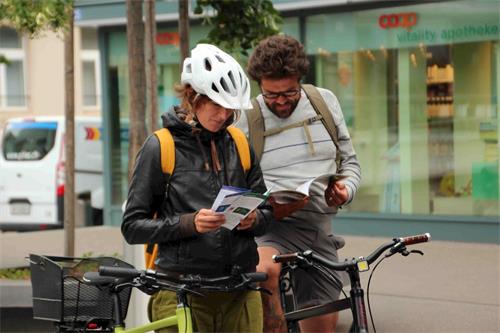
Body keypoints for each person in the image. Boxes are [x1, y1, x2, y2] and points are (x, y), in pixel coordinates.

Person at [122, 43, 273, 333]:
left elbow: (266, 211)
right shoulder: (161, 146)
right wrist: (190, 223)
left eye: (231, 109)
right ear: (193, 96)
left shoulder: (240, 144)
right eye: (217, 105)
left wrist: (256, 219)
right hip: (183, 293)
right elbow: (132, 227)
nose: (224, 115)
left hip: (240, 289)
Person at [236, 35, 362, 332]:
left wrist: (345, 190)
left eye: (289, 93)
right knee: (263, 273)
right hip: (272, 230)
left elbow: (351, 165)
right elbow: (233, 185)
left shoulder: (324, 102)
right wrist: (265, 207)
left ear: (300, 80)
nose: (280, 101)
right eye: (271, 95)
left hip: (319, 230)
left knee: (321, 326)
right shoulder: (248, 117)